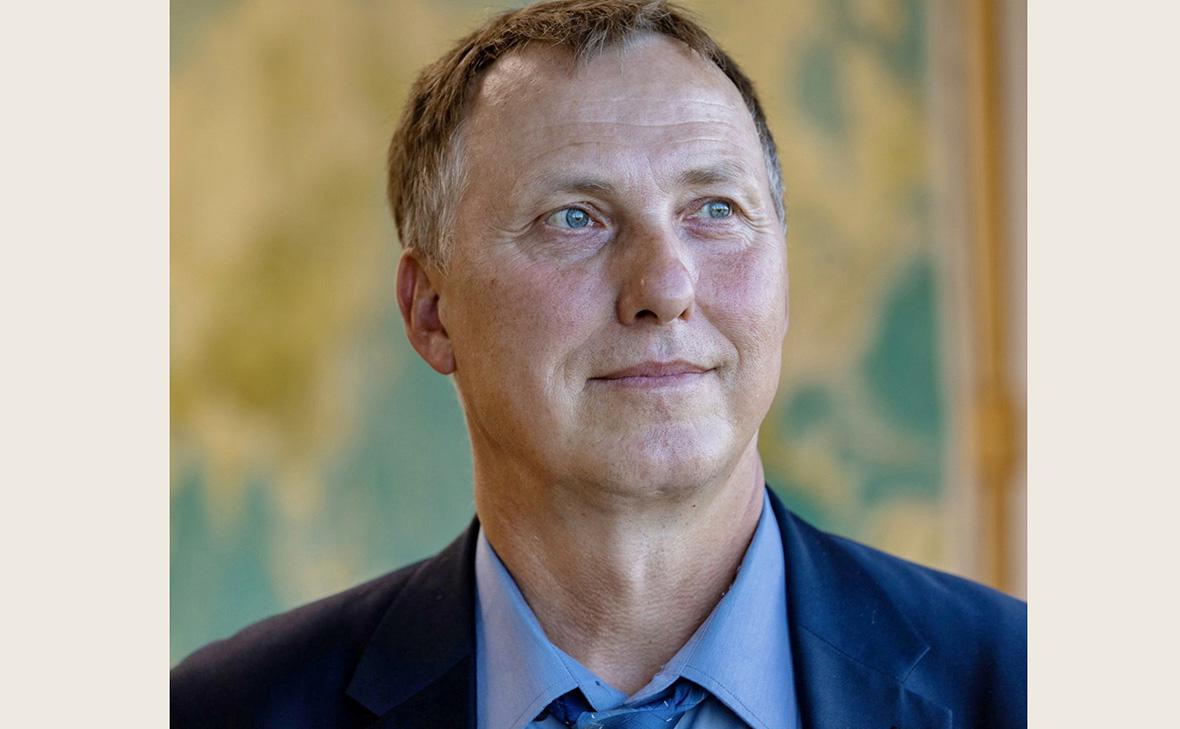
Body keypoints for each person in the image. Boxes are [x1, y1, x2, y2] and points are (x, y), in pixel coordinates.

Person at [170, 1, 1026, 727]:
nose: (665, 287)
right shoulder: (225, 711)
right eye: (574, 217)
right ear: (430, 310)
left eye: (715, 209)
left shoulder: (1025, 686)